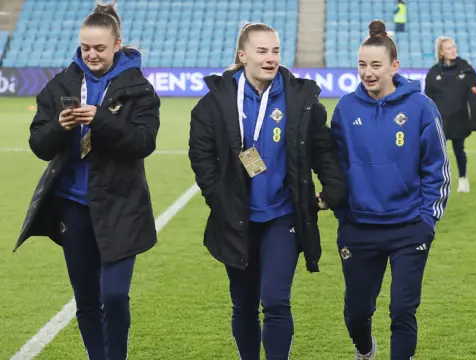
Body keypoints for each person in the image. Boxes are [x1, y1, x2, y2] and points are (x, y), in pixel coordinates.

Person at [188, 23, 346, 360]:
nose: (270, 58)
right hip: (236, 217)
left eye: (275, 50)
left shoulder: (300, 99)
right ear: (243, 55)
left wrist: (333, 188)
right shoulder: (215, 101)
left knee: (275, 300)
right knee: (243, 304)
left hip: (283, 215)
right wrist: (218, 197)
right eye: (262, 51)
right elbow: (200, 155)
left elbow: (322, 149)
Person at [15, 3, 160, 359]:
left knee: (113, 294)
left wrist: (99, 121)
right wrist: (59, 127)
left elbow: (143, 143)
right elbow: (38, 144)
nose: (92, 54)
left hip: (121, 205)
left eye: (99, 48)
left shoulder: (138, 88)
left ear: (117, 45)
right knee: (86, 299)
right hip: (74, 207)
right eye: (85, 47)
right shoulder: (63, 82)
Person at [330, 20, 450, 360]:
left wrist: (427, 219)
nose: (368, 73)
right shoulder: (346, 108)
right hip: (359, 227)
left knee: (402, 311)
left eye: (376, 65)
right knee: (356, 313)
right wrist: (343, 211)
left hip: (409, 227)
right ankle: (365, 351)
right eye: (362, 65)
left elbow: (437, 167)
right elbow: (334, 166)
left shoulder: (421, 107)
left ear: (394, 66)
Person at [425, 36, 476, 193]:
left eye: (454, 47)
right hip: (440, 120)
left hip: (459, 119)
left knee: (459, 150)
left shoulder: (465, 67)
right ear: (441, 52)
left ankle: (463, 179)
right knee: (437, 153)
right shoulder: (434, 72)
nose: (453, 50)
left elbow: (474, 94)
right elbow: (428, 98)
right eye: (449, 48)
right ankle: (439, 181)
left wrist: (475, 120)